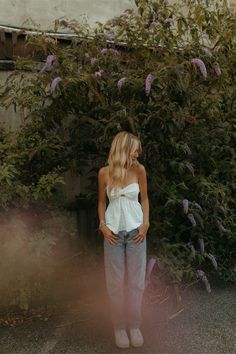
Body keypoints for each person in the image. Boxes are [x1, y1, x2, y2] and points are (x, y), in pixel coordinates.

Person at [98, 131, 149, 349]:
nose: (137, 153)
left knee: (136, 283)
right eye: (134, 149)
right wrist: (103, 225)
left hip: (137, 232)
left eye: (137, 150)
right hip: (113, 234)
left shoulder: (139, 170)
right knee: (115, 284)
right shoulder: (104, 173)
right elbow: (101, 202)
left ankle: (134, 325)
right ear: (122, 149)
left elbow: (145, 198)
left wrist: (146, 223)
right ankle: (119, 327)